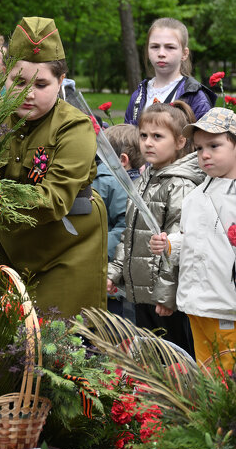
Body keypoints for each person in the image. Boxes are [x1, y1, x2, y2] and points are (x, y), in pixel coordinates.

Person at [0, 17, 108, 317]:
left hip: (67, 251)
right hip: (11, 249)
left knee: (56, 345)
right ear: (4, 76)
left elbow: (54, 199)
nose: (28, 93)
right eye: (18, 82)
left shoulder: (75, 126)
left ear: (61, 81)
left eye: (41, 84)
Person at [108, 101, 204, 354]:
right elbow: (129, 235)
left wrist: (166, 295)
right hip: (143, 293)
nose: (148, 143)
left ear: (180, 142)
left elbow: (178, 244)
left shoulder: (180, 186)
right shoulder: (143, 180)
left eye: (157, 137)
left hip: (164, 299)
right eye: (143, 136)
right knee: (150, 358)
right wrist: (114, 272)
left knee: (174, 358)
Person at [150, 108, 236, 368]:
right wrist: (169, 245)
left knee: (228, 373)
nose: (205, 154)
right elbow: (190, 240)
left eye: (214, 145)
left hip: (227, 305)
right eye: (198, 148)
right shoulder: (195, 196)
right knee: (206, 369)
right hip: (196, 303)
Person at [125, 17, 216, 125]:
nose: (161, 53)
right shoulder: (138, 95)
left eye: (170, 47)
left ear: (184, 53)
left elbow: (204, 140)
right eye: (155, 46)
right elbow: (128, 138)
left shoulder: (194, 97)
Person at [93, 124, 143, 318]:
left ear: (122, 160)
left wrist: (94, 247)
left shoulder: (110, 181)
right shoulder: (135, 181)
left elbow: (124, 226)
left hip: (105, 266)